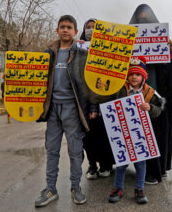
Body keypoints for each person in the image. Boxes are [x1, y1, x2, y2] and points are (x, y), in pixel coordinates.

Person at [35, 15, 97, 207]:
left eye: (69, 27)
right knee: (52, 150)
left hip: (73, 108)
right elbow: (36, 80)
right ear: (57, 30)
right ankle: (50, 189)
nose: (65, 30)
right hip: (53, 109)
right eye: (62, 27)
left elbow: (90, 83)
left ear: (75, 32)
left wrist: (93, 106)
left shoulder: (82, 55)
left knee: (75, 151)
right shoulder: (48, 54)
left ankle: (76, 188)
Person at [129, 4, 172, 184]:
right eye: (139, 18)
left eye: (146, 18)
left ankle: (156, 169)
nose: (142, 20)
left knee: (158, 135)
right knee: (137, 133)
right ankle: (139, 168)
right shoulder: (127, 41)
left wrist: (170, 51)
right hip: (133, 95)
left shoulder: (163, 44)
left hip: (156, 97)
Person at [107, 56, 164, 204]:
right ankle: (118, 188)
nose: (134, 77)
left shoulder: (151, 92)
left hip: (141, 135)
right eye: (131, 74)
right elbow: (109, 104)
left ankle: (139, 189)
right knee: (122, 163)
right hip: (123, 133)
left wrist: (150, 107)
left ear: (143, 76)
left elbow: (159, 109)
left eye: (137, 74)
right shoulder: (119, 89)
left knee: (141, 163)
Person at [79, 18, 115, 180]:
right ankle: (92, 165)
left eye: (94, 27)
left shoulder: (108, 51)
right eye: (88, 27)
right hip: (84, 102)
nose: (91, 30)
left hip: (106, 101)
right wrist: (77, 47)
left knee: (105, 136)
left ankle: (105, 165)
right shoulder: (79, 49)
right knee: (88, 137)